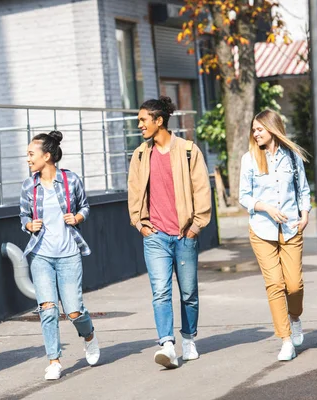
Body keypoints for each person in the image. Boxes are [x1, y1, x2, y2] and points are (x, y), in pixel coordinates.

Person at [127, 96, 212, 369]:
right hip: (155, 237)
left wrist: (196, 226)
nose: (139, 125)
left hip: (185, 235)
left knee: (188, 293)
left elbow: (202, 191)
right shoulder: (140, 154)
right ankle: (167, 344)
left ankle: (188, 339)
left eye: (143, 120)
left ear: (158, 120)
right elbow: (133, 193)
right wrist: (140, 225)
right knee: (160, 292)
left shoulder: (188, 150)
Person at [19, 131, 100, 380]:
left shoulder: (71, 180)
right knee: (48, 309)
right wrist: (28, 225)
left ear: (47, 155)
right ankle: (54, 361)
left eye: (32, 154)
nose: (28, 159)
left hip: (68, 255)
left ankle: (88, 336)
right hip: (41, 256)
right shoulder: (28, 186)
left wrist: (77, 217)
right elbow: (23, 216)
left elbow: (85, 206)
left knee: (73, 311)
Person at [238, 109, 311, 361]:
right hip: (261, 230)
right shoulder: (249, 159)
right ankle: (286, 339)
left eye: (259, 129)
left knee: (294, 285)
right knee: (275, 285)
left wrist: (305, 214)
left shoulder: (292, 157)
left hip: (291, 229)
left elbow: (303, 189)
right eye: (254, 130)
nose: (255, 133)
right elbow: (244, 196)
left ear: (272, 129)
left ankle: (295, 317)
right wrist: (266, 207)